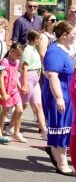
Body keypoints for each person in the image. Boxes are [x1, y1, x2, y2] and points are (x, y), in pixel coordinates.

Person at [43, 21, 75, 176]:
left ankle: (55, 151)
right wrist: (59, 98)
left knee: (67, 127)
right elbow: (52, 76)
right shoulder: (54, 52)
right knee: (60, 126)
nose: (75, 36)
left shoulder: (66, 49)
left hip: (68, 94)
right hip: (58, 94)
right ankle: (62, 164)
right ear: (64, 35)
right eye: (73, 34)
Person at [19, 30, 47, 140]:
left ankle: (44, 131)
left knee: (38, 105)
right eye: (39, 38)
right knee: (23, 106)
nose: (40, 40)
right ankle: (12, 127)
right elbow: (25, 68)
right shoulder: (27, 51)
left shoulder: (34, 50)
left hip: (36, 79)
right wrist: (24, 84)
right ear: (34, 39)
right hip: (29, 78)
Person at [0, 43, 26, 142]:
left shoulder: (17, 61)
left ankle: (16, 133)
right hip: (6, 89)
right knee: (5, 112)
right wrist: (3, 92)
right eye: (17, 54)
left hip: (14, 89)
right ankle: (0, 133)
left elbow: (15, 76)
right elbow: (1, 78)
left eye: (20, 55)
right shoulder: (5, 62)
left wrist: (20, 86)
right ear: (11, 51)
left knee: (20, 110)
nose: (18, 57)